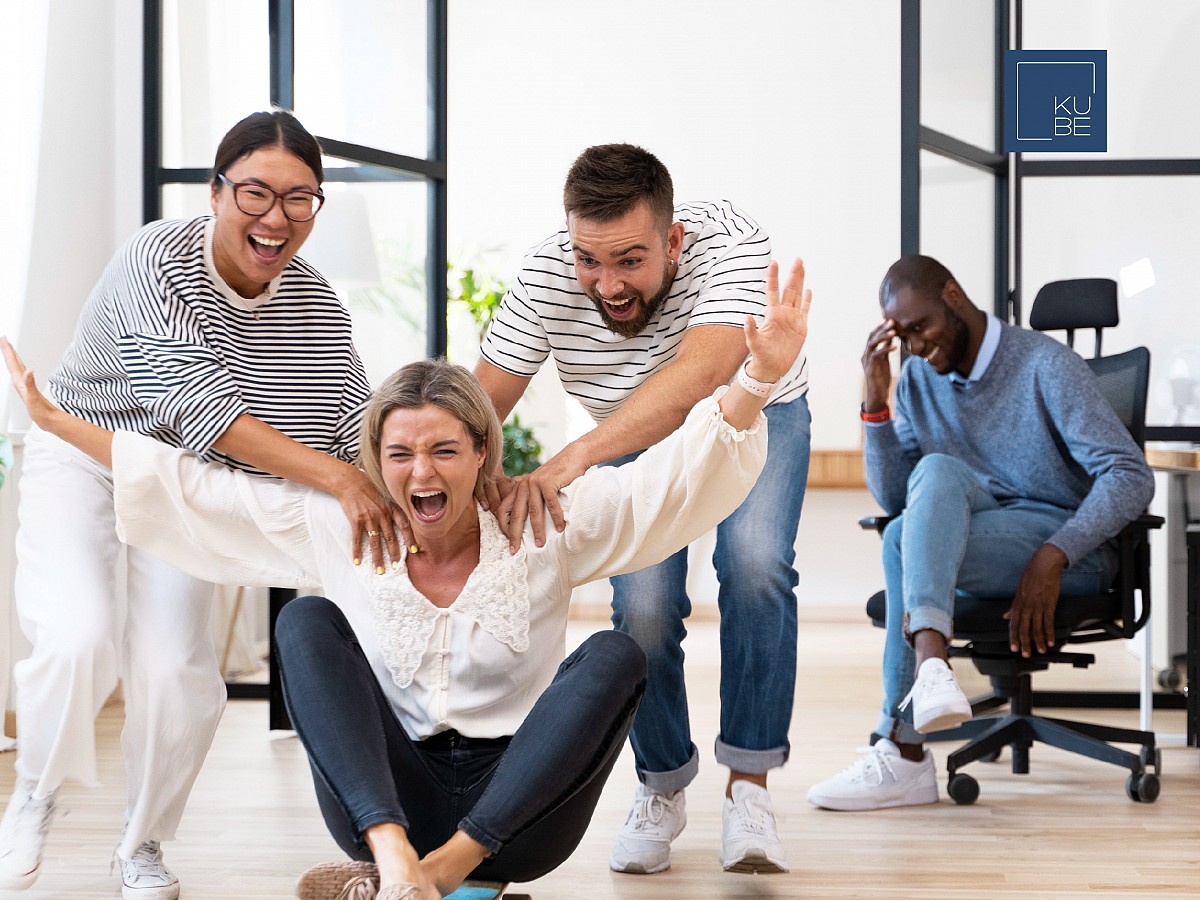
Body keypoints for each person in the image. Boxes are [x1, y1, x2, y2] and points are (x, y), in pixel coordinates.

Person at [2, 255, 812, 900]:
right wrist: (57, 423)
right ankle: (402, 868)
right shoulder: (340, 524)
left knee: (616, 655)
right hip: (381, 804)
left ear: (482, 454)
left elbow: (665, 482)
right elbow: (198, 490)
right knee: (305, 624)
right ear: (376, 462)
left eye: (444, 451)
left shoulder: (541, 520)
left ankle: (438, 877)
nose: (420, 471)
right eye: (399, 454)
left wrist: (758, 379)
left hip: (521, 819)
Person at [0, 110, 400, 898]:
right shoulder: (156, 257)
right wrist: (339, 481)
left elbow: (351, 426)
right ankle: (34, 793)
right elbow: (199, 405)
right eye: (255, 191)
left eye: (300, 199)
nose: (276, 217)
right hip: (86, 453)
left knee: (176, 668)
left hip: (183, 483)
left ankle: (142, 844)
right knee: (79, 638)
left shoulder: (315, 305)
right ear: (216, 192)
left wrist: (419, 478)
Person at [474, 143, 810, 875]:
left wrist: (569, 461)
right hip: (623, 425)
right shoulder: (546, 274)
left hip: (755, 402)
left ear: (674, 240)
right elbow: (480, 409)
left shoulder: (731, 239)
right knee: (647, 603)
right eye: (589, 261)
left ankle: (749, 787)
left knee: (755, 566)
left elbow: (704, 375)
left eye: (629, 260)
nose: (605, 284)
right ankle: (662, 786)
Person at [806, 254, 1155, 812]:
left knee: (901, 542)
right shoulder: (919, 377)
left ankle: (903, 750)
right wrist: (875, 403)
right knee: (931, 479)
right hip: (988, 535)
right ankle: (932, 672)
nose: (916, 348)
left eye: (921, 328)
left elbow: (1130, 476)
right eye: (904, 337)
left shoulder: (1046, 364)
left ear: (953, 294)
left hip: (1069, 545)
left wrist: (1053, 553)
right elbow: (900, 499)